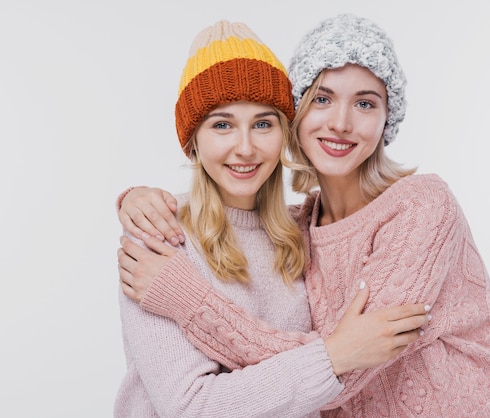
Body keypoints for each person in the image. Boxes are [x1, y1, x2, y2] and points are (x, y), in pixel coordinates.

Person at [117, 14, 490, 417]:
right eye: (323, 99)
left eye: (365, 103)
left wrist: (189, 301)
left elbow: (349, 363)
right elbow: (196, 404)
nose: (341, 123)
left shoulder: (416, 208)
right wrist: (135, 198)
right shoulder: (287, 230)